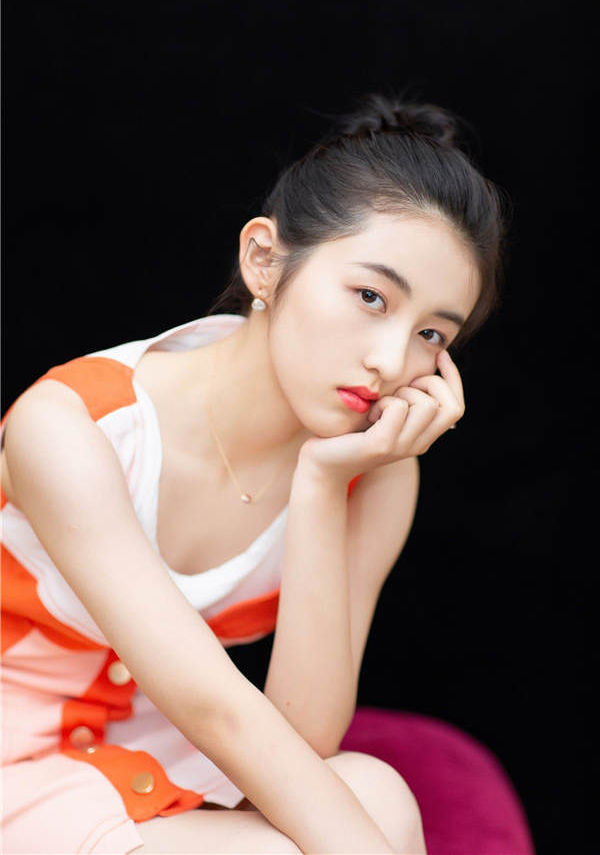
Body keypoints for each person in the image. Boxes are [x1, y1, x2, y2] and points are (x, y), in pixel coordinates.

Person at [0, 91, 509, 854]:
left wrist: (320, 485)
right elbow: (217, 708)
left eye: (432, 334)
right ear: (265, 260)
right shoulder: (75, 427)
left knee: (379, 793)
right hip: (16, 766)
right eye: (371, 297)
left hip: (152, 760)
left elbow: (306, 737)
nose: (390, 360)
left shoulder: (377, 471)